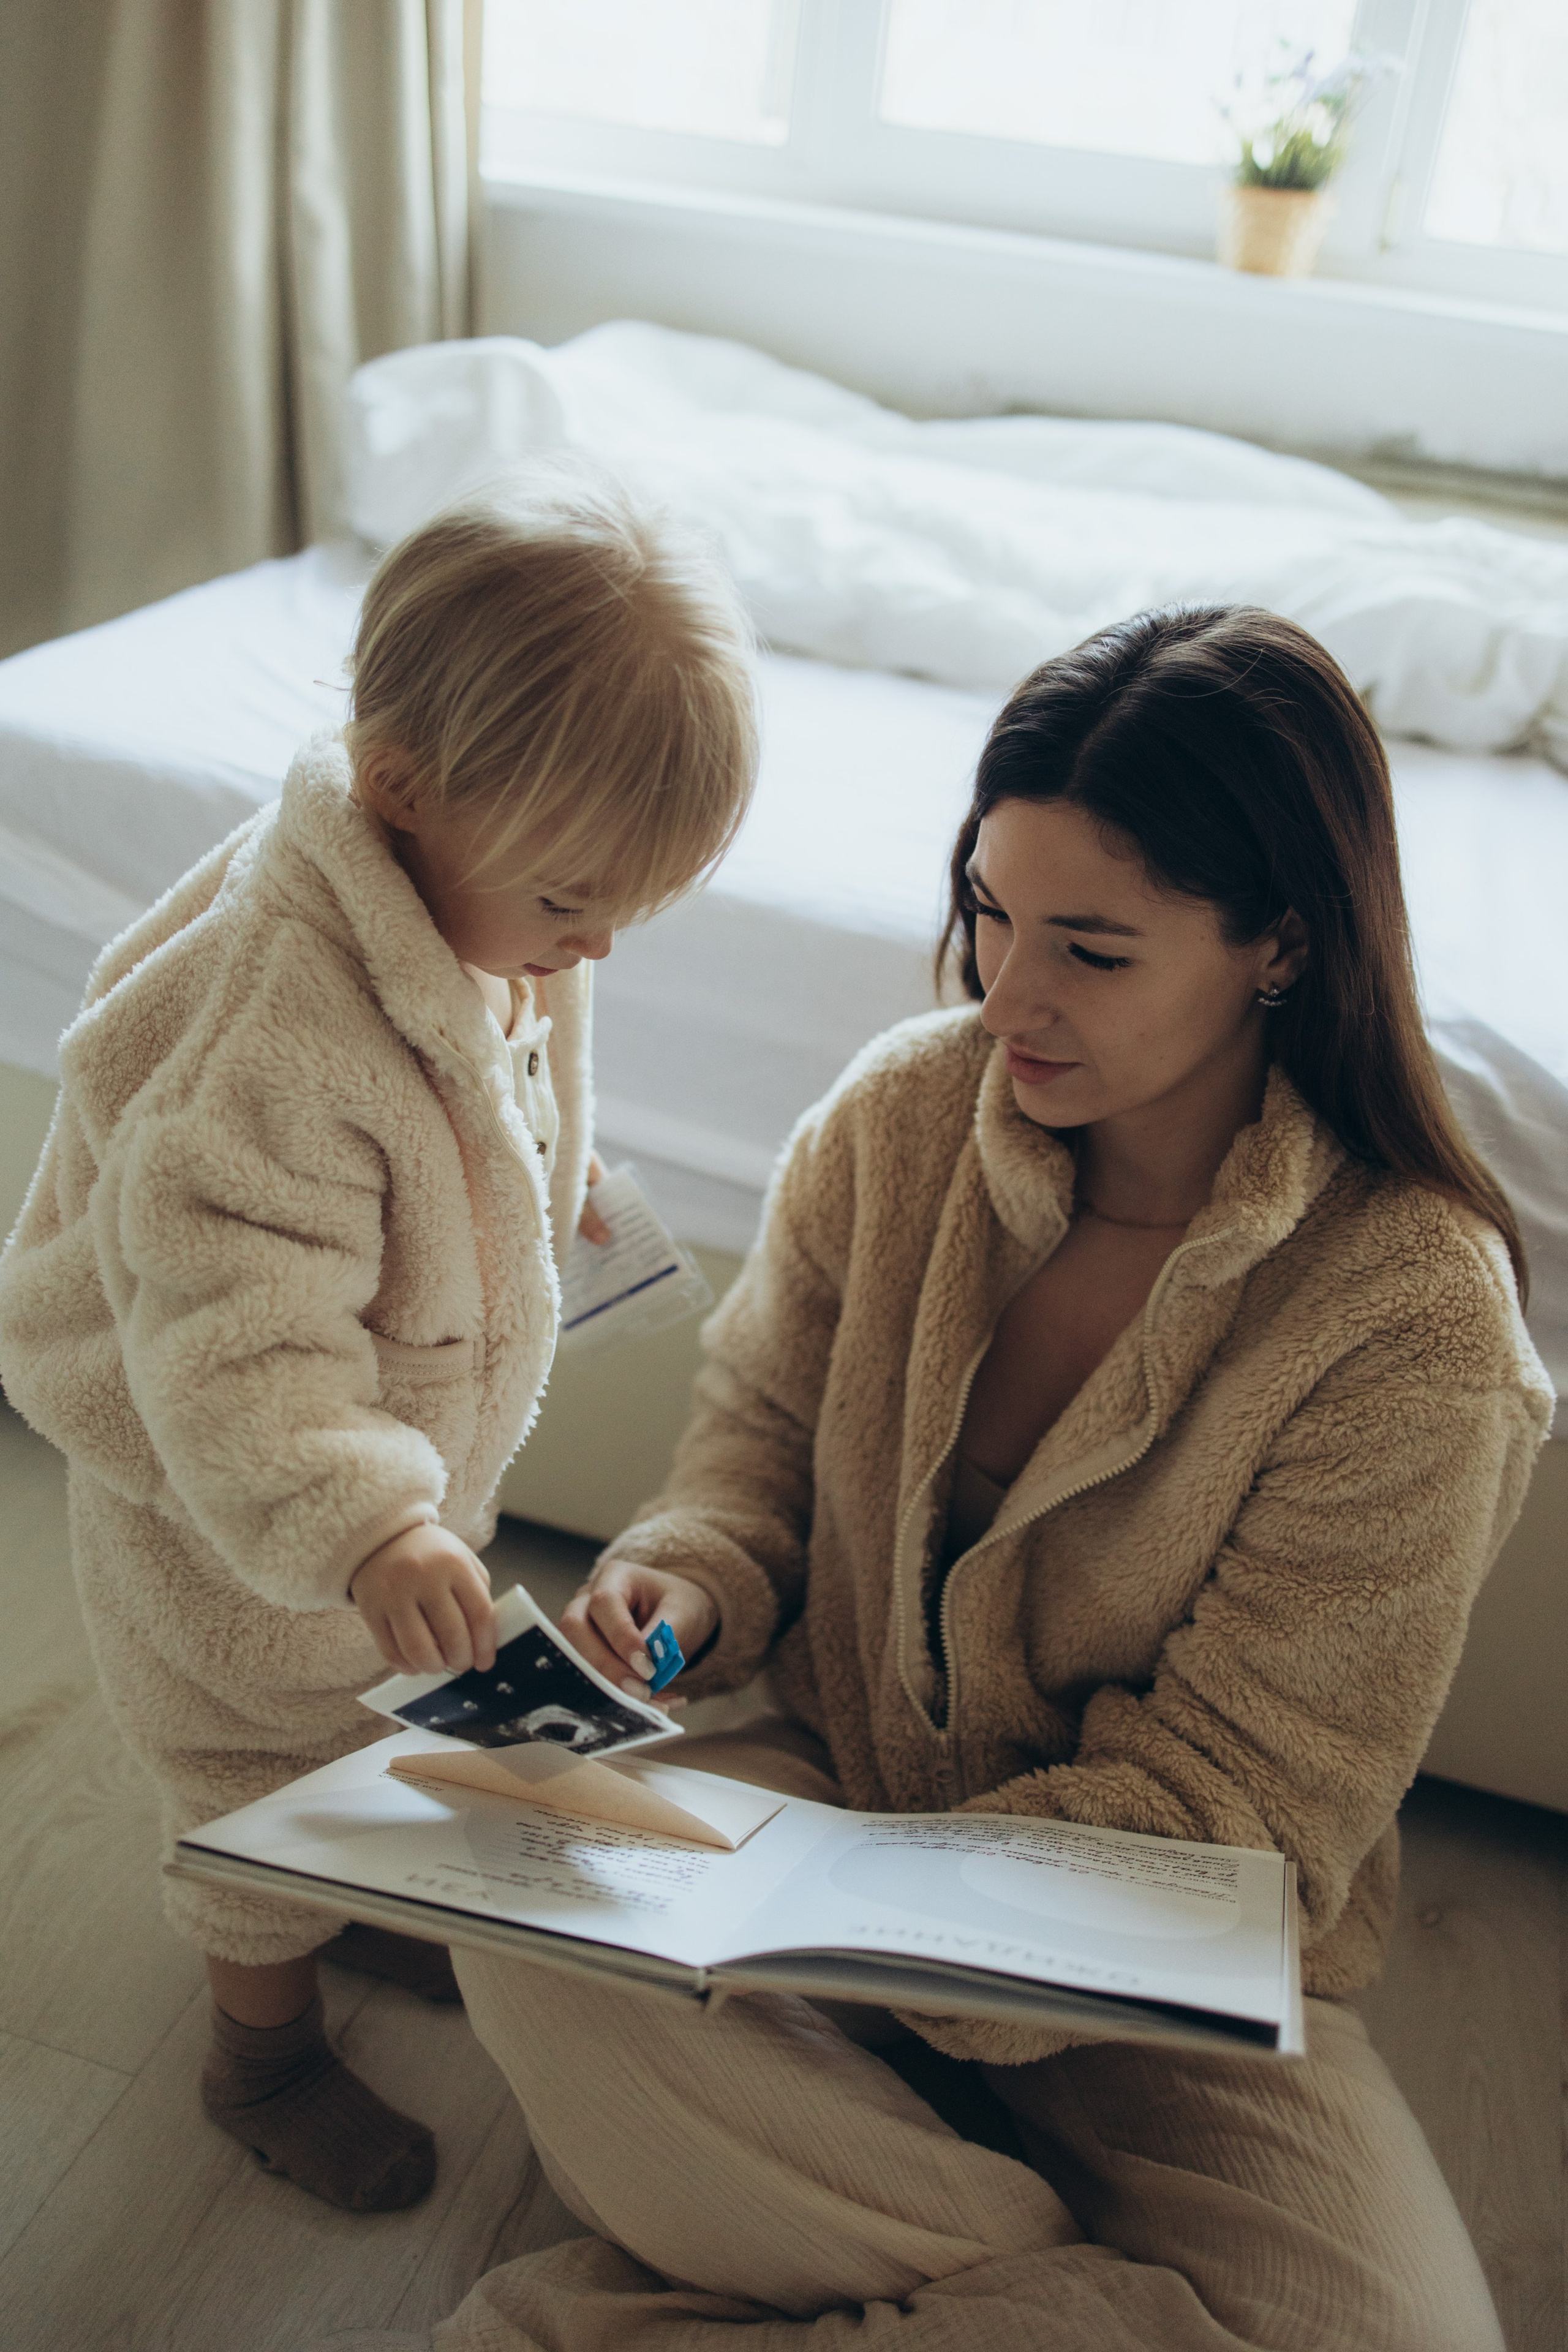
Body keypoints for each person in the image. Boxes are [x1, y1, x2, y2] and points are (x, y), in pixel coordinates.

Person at [439, 606, 1550, 2350]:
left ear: (1279, 945)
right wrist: (688, 1575)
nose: (1004, 997)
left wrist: (859, 1923)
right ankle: (1048, 2285)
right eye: (990, 910)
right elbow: (756, 1444)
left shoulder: (1411, 1321)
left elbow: (1240, 1815)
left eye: (1092, 951)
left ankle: (799, 2253)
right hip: (824, 1772)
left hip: (1144, 1953)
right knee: (507, 1887)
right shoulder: (902, 1119)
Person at [0, 469, 756, 2215]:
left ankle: (369, 1894)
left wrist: (546, 1185)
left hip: (376, 1447)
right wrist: (366, 1522)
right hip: (221, 1503)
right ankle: (256, 2043)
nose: (600, 943)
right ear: (405, 793)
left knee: (389, 1726)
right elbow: (237, 1335)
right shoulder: (271, 1038)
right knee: (252, 1781)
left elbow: (495, 1082)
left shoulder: (482, 905)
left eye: (632, 907)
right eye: (578, 902)